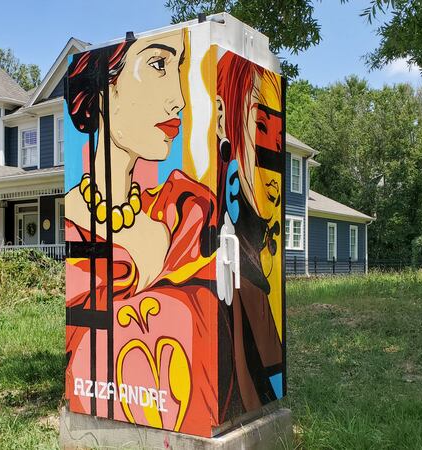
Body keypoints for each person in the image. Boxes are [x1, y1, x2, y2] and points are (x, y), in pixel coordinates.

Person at [64, 29, 219, 436]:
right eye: (157, 64)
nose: (179, 100)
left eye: (179, 68)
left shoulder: (183, 210)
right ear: (102, 91)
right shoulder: (73, 224)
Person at [215, 50, 285, 417]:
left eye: (277, 138)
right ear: (221, 117)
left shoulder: (252, 239)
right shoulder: (215, 209)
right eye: (260, 126)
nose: (272, 162)